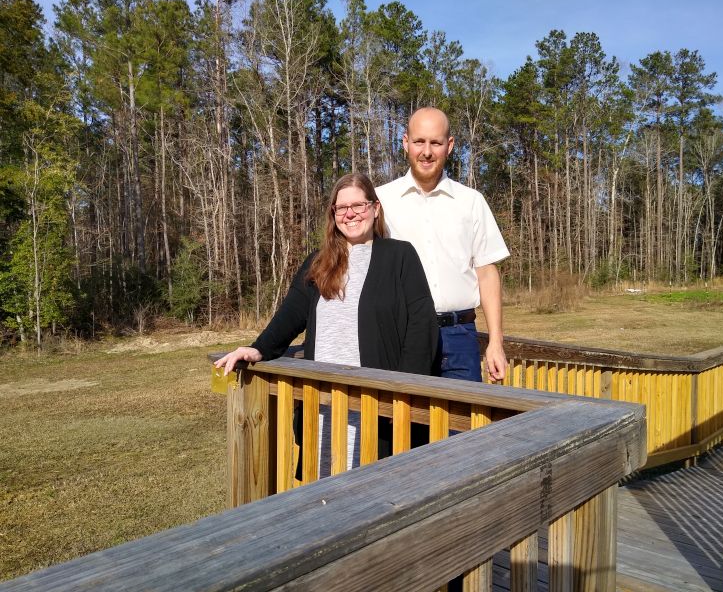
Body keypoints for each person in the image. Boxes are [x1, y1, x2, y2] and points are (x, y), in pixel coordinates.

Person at [215, 172, 438, 464]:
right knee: (326, 487)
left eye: (358, 205)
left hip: (379, 404)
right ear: (333, 214)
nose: (350, 214)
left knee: (375, 487)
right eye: (341, 208)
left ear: (375, 208)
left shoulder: (400, 256)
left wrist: (405, 393)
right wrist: (257, 348)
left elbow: (422, 327)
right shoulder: (319, 262)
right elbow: (291, 314)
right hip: (322, 402)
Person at [377, 107, 510, 384]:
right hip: (403, 336)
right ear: (405, 143)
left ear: (449, 146)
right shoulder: (380, 202)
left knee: (466, 426)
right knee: (404, 425)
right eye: (419, 142)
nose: (427, 151)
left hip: (459, 336)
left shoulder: (471, 201)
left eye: (435, 143)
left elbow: (486, 272)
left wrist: (495, 342)